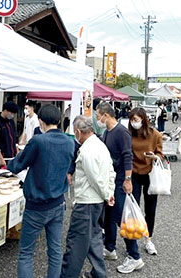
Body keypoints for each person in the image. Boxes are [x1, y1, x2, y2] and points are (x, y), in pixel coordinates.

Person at [7, 104, 74, 278]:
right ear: (59, 121)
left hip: (37, 205)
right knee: (55, 251)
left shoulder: (38, 141)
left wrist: (9, 162)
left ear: (41, 122)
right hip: (58, 203)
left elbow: (17, 165)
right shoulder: (69, 141)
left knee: (26, 253)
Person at [60, 116, 115, 278]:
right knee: (94, 238)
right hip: (98, 201)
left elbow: (93, 177)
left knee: (76, 242)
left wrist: (106, 194)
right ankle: (99, 273)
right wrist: (109, 193)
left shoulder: (87, 149)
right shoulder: (101, 145)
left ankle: (68, 275)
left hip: (87, 202)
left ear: (78, 131)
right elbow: (110, 172)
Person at [96, 102, 144, 274]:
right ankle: (110, 248)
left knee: (122, 218)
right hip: (111, 180)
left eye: (98, 115)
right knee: (109, 215)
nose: (97, 119)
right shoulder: (106, 132)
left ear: (106, 115)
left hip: (121, 180)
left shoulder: (121, 131)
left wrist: (128, 179)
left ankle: (135, 256)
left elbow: (127, 155)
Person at [128, 107, 163, 256]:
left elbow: (161, 154)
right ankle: (133, 240)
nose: (134, 122)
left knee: (150, 209)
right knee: (133, 207)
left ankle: (148, 239)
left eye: (136, 120)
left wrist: (154, 156)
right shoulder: (129, 134)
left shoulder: (155, 134)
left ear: (143, 119)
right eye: (132, 120)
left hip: (150, 174)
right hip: (134, 173)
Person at [0, 101, 18, 167]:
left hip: (12, 155)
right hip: (3, 156)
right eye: (11, 113)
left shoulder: (11, 122)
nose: (12, 115)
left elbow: (15, 137)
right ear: (5, 110)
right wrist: (0, 157)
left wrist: (17, 151)